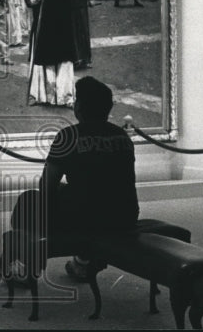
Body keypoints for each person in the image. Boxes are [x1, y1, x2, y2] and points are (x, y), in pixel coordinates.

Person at [39, 77, 139, 279]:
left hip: (84, 218)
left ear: (80, 107)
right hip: (124, 217)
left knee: (29, 204)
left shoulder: (68, 136)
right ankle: (82, 262)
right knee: (88, 200)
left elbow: (46, 186)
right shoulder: (122, 136)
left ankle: (24, 267)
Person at [23, 0, 77, 106]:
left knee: (64, 57)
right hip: (44, 22)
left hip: (61, 21)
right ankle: (41, 96)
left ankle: (66, 97)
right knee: (44, 58)